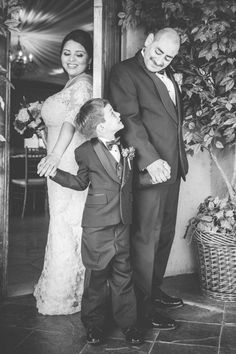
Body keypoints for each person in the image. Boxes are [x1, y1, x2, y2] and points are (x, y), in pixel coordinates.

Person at [109, 28, 189, 329]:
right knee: (145, 239)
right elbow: (129, 119)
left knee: (164, 235)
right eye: (158, 52)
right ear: (148, 41)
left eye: (168, 57)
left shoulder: (169, 75)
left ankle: (154, 292)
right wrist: (151, 160)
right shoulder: (124, 72)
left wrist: (174, 161)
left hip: (173, 168)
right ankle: (141, 307)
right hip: (150, 169)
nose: (161, 60)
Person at [48, 98, 144, 345]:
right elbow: (81, 183)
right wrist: (54, 173)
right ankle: (94, 326)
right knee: (97, 278)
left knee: (124, 275)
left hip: (123, 221)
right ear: (101, 127)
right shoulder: (85, 152)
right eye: (112, 112)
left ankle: (130, 325)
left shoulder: (126, 145)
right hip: (97, 225)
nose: (118, 112)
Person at [33, 30, 93, 315]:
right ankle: (65, 289)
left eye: (79, 54)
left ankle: (71, 293)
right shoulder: (71, 83)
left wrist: (55, 154)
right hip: (57, 159)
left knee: (70, 223)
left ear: (89, 58)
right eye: (67, 53)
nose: (72, 59)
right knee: (61, 222)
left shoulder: (83, 85)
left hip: (68, 161)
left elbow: (71, 121)